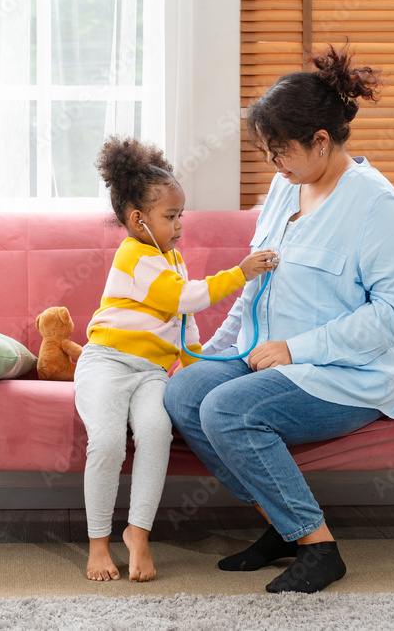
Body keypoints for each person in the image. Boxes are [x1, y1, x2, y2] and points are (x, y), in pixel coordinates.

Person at [164, 45, 394, 594]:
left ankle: (318, 545)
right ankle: (282, 527)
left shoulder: (376, 205)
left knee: (227, 410)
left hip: (345, 373)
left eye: (279, 150)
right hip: (270, 358)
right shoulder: (286, 187)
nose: (272, 163)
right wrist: (212, 350)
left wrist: (295, 348)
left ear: (321, 141)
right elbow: (257, 283)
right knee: (186, 392)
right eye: (266, 151)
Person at [75, 136, 278, 583]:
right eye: (170, 216)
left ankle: (138, 533)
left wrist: (200, 365)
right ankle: (96, 543)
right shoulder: (136, 255)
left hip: (150, 373)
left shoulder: (170, 258)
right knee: (107, 442)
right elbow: (186, 299)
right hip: (108, 362)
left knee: (155, 434)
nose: (180, 224)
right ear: (137, 219)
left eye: (180, 214)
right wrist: (239, 273)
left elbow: (184, 327)